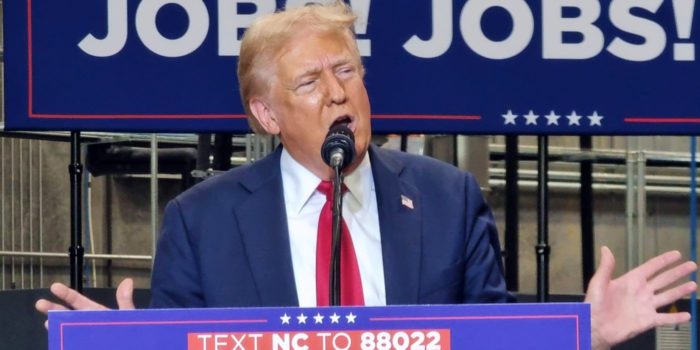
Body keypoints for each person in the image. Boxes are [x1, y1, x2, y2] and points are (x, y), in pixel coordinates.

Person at [36, 2, 697, 349]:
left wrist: (583, 334)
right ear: (266, 113)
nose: (337, 94)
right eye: (309, 82)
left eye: (346, 71)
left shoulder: (446, 199)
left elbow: (488, 342)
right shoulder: (201, 219)